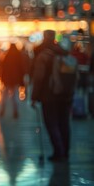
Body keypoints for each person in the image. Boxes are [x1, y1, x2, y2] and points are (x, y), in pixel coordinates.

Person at [31, 30, 72, 162]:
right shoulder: (64, 53)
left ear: (44, 37)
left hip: (49, 96)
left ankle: (58, 152)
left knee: (52, 124)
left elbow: (38, 78)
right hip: (65, 95)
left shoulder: (43, 55)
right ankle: (65, 152)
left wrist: (34, 96)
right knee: (64, 123)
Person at [0, 43, 25, 118]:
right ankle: (15, 111)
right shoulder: (19, 56)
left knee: (5, 95)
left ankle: (3, 110)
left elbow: (3, 68)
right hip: (16, 79)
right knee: (15, 96)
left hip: (7, 79)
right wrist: (21, 81)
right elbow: (21, 70)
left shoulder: (7, 56)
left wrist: (2, 79)